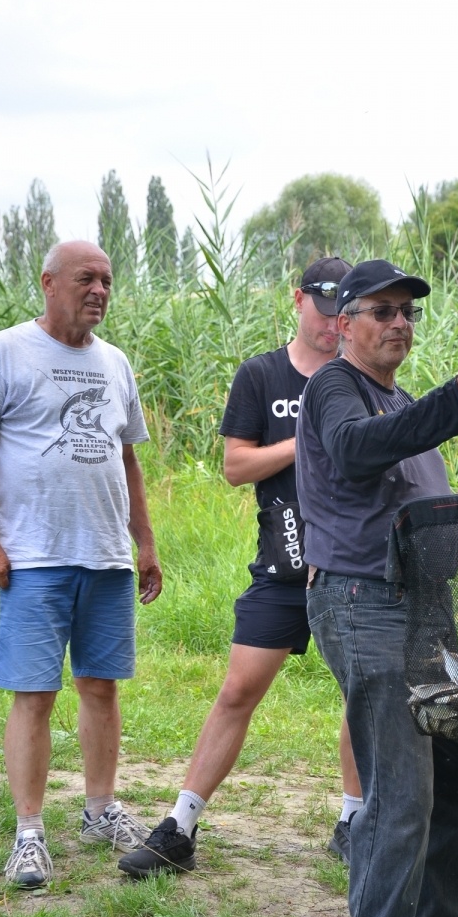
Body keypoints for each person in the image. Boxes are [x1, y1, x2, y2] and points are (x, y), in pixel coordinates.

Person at [294, 259, 458, 917]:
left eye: (408, 314)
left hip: (425, 611)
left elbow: (412, 487)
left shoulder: (397, 401)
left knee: (450, 782)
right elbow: (359, 452)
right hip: (365, 603)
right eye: (382, 311)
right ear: (342, 324)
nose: (399, 323)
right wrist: (455, 401)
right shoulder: (334, 386)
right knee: (400, 792)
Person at [118, 258, 362, 879]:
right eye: (325, 306)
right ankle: (179, 826)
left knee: (361, 695)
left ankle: (355, 823)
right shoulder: (261, 374)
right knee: (237, 691)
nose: (334, 321)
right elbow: (235, 466)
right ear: (298, 300)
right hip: (282, 566)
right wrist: (309, 436)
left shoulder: (364, 377)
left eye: (345, 310)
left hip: (354, 566)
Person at [0, 241, 163, 889]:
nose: (100, 289)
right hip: (35, 558)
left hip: (105, 556)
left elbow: (126, 457)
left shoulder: (116, 362)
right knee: (35, 694)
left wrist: (146, 542)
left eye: (106, 279)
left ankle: (100, 811)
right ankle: (28, 833)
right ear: (48, 283)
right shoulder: (4, 351)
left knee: (100, 687)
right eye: (86, 279)